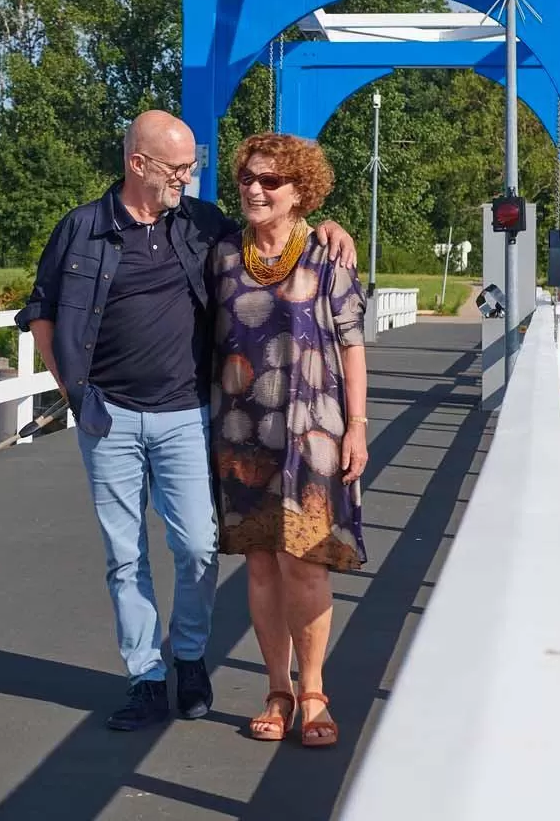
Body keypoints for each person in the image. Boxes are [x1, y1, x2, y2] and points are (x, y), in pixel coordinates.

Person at [15, 110, 357, 731]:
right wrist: (72, 391)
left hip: (188, 415)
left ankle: (191, 657)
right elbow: (42, 310)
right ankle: (146, 677)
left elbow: (278, 231)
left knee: (198, 545)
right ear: (137, 164)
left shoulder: (202, 226)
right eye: (177, 168)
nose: (187, 177)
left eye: (191, 166)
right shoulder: (81, 229)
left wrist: (331, 226)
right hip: (109, 417)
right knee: (125, 556)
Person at [208, 131, 369, 748]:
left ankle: (314, 691)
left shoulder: (328, 255)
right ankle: (277, 690)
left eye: (270, 180)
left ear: (300, 192)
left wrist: (358, 427)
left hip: (313, 431)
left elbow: (352, 346)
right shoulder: (224, 253)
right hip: (240, 432)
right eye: (247, 177)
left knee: (305, 562)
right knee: (261, 564)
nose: (254, 188)